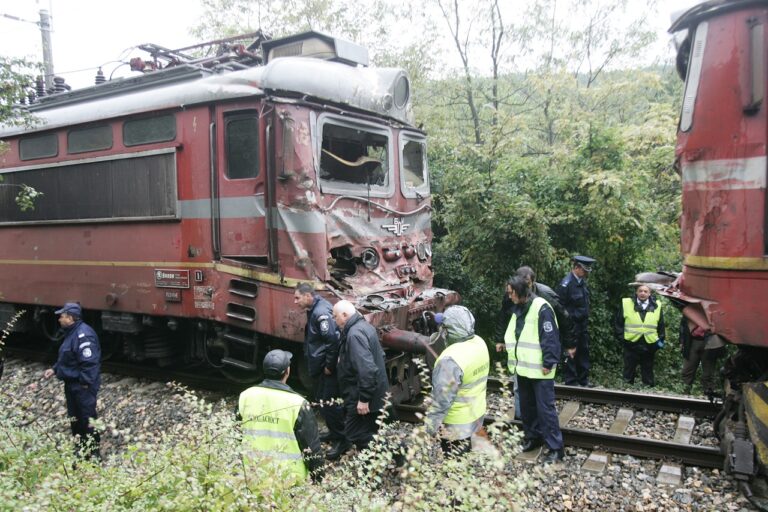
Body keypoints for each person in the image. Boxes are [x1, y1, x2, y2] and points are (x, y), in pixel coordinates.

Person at [497, 276, 564, 464]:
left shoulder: (541, 307)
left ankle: (555, 449)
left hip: (540, 369)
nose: (509, 296)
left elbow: (550, 336)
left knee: (545, 410)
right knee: (527, 408)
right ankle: (532, 438)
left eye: (511, 293)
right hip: (523, 367)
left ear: (519, 292)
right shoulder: (518, 307)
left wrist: (549, 362)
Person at [238, 349, 324, 483]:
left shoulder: (246, 396)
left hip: (251, 474)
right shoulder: (298, 403)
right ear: (287, 371)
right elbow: (312, 448)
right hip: (287, 480)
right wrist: (318, 477)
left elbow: (235, 436)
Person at [495, 266, 571, 419]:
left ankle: (536, 422)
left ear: (533, 282)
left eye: (527, 283)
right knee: (520, 387)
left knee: (540, 393)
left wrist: (569, 344)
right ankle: (522, 418)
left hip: (538, 348)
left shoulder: (545, 296)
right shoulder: (512, 294)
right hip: (519, 349)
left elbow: (563, 318)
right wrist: (500, 339)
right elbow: (503, 316)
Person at [425, 305, 490, 457]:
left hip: (456, 425)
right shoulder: (479, 343)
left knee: (454, 463)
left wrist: (430, 428)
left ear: (449, 331)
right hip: (476, 415)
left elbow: (442, 400)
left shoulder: (450, 359)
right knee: (465, 456)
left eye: (444, 328)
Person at [42, 302, 101, 460]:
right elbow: (68, 357)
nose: (59, 319)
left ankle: (94, 452)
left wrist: (85, 383)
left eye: (62, 316)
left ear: (71, 318)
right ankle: (81, 449)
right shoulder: (71, 333)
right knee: (75, 418)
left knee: (87, 418)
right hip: (72, 384)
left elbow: (89, 362)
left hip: (82, 386)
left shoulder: (83, 335)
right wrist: (55, 369)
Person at [330, 300, 388, 460]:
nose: (334, 321)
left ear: (344, 315)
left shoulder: (354, 334)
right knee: (369, 428)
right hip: (372, 390)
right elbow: (380, 356)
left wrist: (364, 399)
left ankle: (390, 452)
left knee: (353, 431)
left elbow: (366, 368)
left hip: (360, 393)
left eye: (335, 317)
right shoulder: (365, 326)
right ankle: (374, 461)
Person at [293, 283, 345, 452]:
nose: (295, 301)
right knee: (323, 401)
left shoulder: (320, 313)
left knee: (328, 403)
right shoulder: (316, 309)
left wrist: (329, 366)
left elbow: (332, 340)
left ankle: (342, 439)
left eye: (297, 297)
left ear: (308, 296)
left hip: (325, 367)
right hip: (320, 364)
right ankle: (334, 432)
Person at [613, 285, 666, 387]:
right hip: (631, 344)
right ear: (636, 292)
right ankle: (626, 395)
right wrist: (623, 340)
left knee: (648, 375)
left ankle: (649, 396)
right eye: (640, 291)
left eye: (645, 291)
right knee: (628, 374)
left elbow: (661, 327)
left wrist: (658, 345)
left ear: (649, 293)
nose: (643, 293)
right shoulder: (627, 303)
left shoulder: (657, 305)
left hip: (649, 345)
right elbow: (618, 324)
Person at [557, 255, 596, 387]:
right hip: (571, 326)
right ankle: (571, 382)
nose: (586, 273)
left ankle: (583, 381)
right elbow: (560, 308)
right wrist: (567, 326)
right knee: (570, 354)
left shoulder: (581, 283)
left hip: (582, 326)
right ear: (577, 267)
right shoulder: (566, 284)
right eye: (584, 270)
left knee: (583, 353)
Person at [680, 318, 726, 395]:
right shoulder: (691, 307)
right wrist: (682, 341)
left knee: (708, 373)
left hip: (710, 340)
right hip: (692, 341)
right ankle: (685, 393)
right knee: (687, 370)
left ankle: (709, 395)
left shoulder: (712, 308)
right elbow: (683, 324)